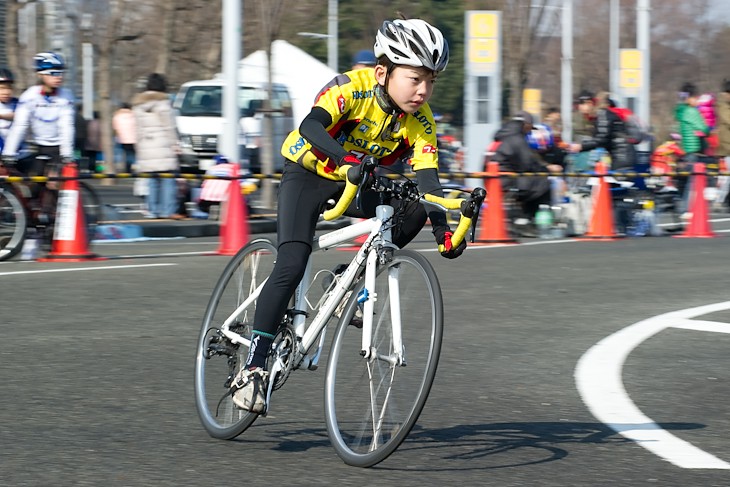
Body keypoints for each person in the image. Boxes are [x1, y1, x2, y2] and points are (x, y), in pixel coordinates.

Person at [231, 18, 460, 413]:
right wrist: (345, 158)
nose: (423, 91)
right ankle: (253, 366)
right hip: (310, 172)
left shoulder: (421, 122)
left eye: (430, 81)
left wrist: (445, 233)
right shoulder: (350, 88)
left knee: (414, 206)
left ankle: (345, 277)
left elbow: (429, 182)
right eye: (415, 78)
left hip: (357, 179)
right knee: (291, 263)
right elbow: (310, 126)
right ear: (383, 71)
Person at [1, 52, 75, 177]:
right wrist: (9, 153)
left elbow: (67, 126)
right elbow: (20, 126)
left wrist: (67, 153)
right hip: (38, 147)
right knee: (34, 188)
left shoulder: (66, 96)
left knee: (54, 182)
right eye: (53, 73)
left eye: (61, 72)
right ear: (40, 74)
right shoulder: (29, 96)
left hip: (60, 146)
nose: (59, 77)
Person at [490, 111, 563, 237]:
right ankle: (525, 220)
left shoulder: (504, 135)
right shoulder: (517, 139)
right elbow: (528, 164)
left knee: (531, 181)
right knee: (543, 183)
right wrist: (548, 169)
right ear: (525, 125)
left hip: (495, 178)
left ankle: (520, 219)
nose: (530, 131)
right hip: (506, 180)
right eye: (530, 128)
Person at [131, 73, 184, 220]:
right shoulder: (163, 103)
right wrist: (176, 144)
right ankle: (167, 210)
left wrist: (139, 147)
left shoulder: (138, 106)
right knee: (168, 179)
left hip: (146, 145)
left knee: (152, 180)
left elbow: (138, 129)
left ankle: (153, 210)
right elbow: (169, 127)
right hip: (163, 145)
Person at [568, 91, 636, 172]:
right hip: (618, 156)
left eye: (581, 103)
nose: (579, 107)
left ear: (590, 103)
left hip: (622, 156)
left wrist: (581, 146)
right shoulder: (599, 116)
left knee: (617, 182)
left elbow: (602, 139)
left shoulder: (602, 114)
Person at [674, 82, 711, 214]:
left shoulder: (681, 111)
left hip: (684, 151)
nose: (697, 101)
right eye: (695, 98)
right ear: (689, 98)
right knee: (693, 182)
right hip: (693, 150)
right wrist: (708, 130)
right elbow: (704, 128)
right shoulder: (691, 111)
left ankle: (682, 209)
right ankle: (687, 210)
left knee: (686, 182)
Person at [716, 80, 730, 209]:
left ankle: (723, 200)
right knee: (728, 176)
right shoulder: (723, 106)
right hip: (727, 147)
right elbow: (728, 120)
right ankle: (719, 200)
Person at [112, 102, 137, 173]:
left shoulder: (117, 116)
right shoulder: (133, 115)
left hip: (121, 138)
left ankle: (123, 167)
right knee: (131, 153)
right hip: (133, 138)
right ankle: (132, 166)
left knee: (122, 153)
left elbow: (115, 127)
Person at [0, 67, 18, 147]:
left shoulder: (18, 104)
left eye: (9, 88)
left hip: (20, 153)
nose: (6, 92)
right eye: (2, 88)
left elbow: (20, 116)